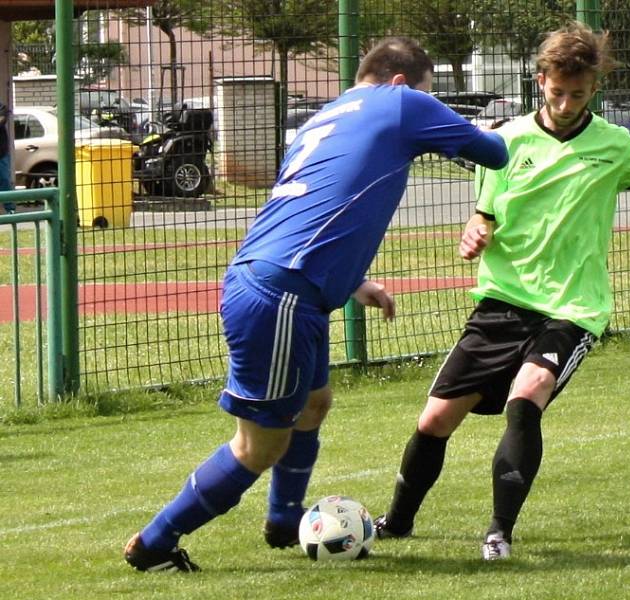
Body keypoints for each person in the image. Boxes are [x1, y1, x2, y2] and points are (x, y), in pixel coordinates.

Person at [372, 21, 630, 561]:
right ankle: (398, 524)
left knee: (526, 399)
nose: (567, 102)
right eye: (557, 90)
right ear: (540, 79)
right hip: (502, 301)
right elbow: (487, 211)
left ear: (593, 89)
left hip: (573, 309)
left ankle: (499, 532)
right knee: (433, 420)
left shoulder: (615, 146)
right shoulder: (505, 141)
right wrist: (477, 229)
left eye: (578, 93)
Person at [123, 36, 508, 572]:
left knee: (314, 403)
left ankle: (284, 520)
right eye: (426, 94)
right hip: (280, 298)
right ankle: (156, 543)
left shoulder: (321, 119)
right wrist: (486, 128)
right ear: (401, 83)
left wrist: (354, 283)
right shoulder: (401, 102)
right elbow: (494, 154)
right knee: (258, 446)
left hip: (277, 284)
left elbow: (313, 213)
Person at [0, 100, 13, 214]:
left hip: (1, 153)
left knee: (4, 179)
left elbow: (3, 117)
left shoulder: (1, 106)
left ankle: (10, 209)